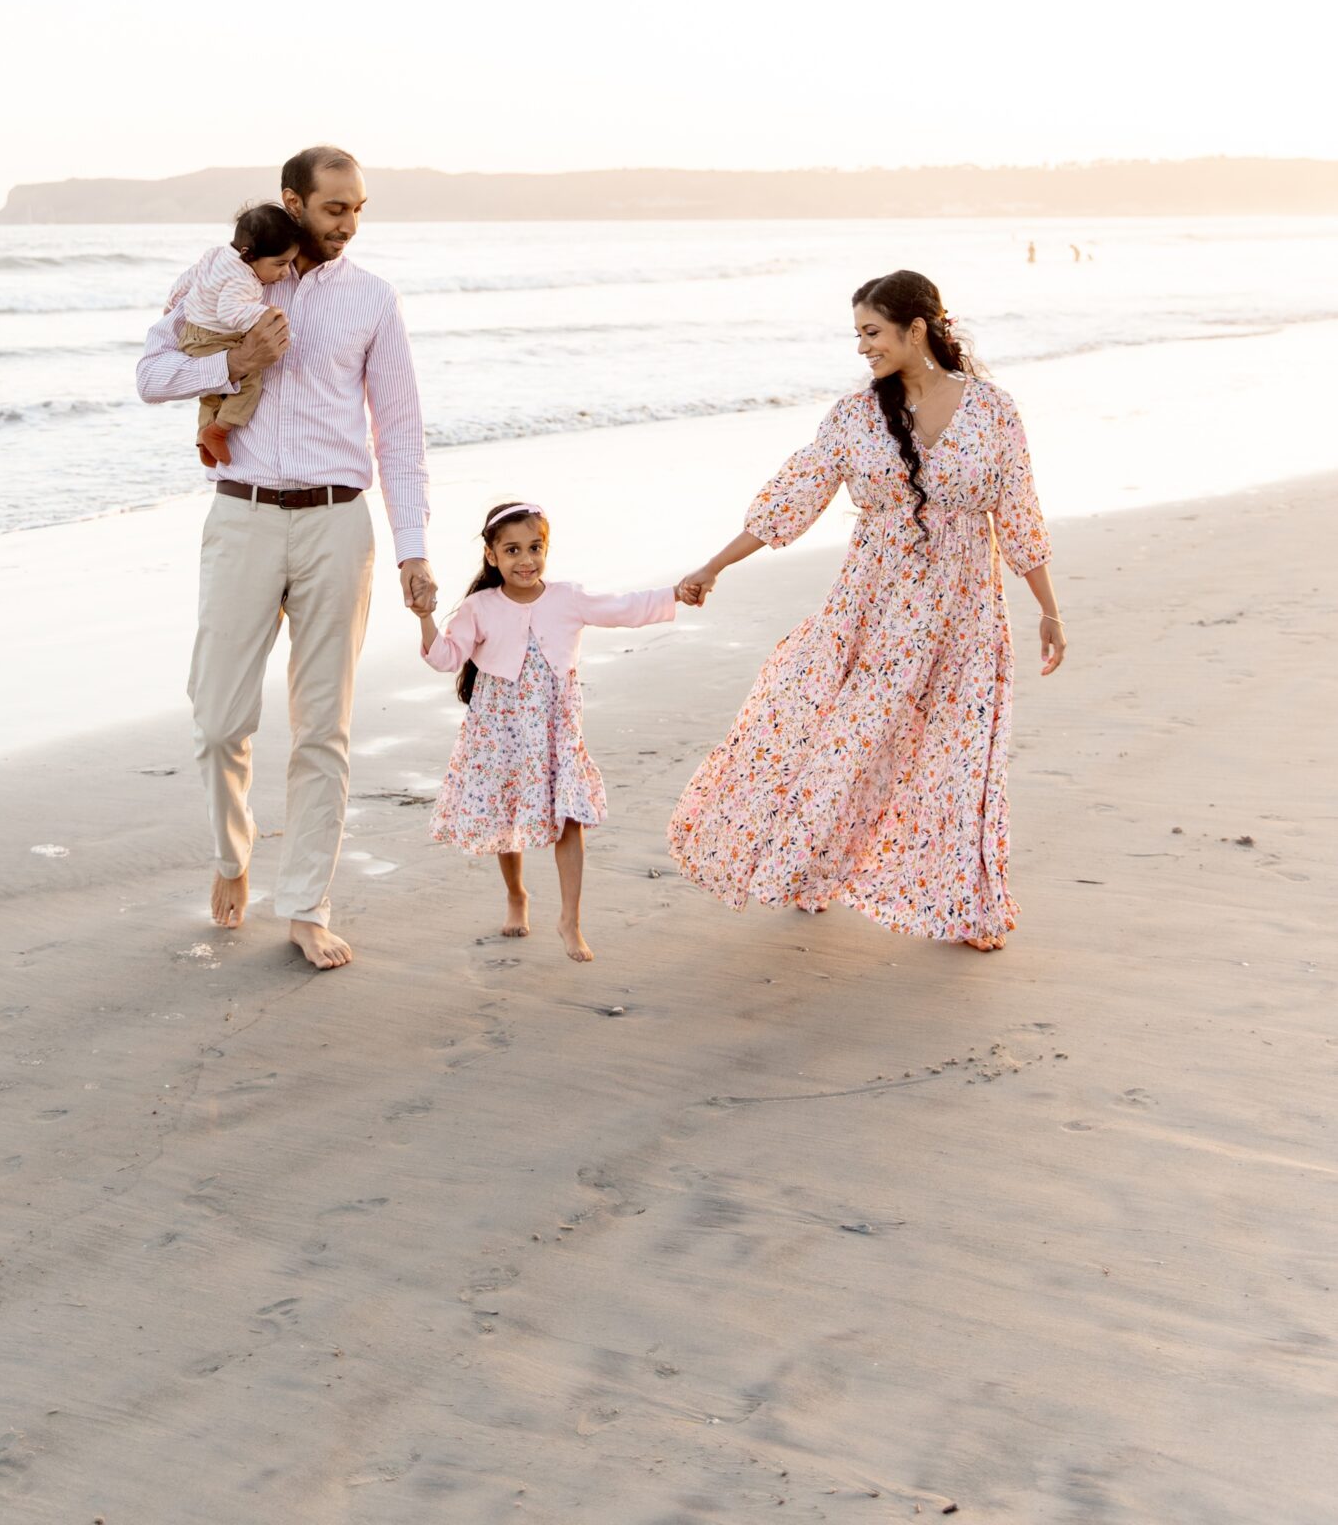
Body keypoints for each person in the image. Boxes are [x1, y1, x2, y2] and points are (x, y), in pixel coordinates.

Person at [667, 269, 1064, 952]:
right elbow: (791, 499)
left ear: (918, 329)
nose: (862, 348)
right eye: (857, 334)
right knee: (845, 746)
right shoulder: (854, 418)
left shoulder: (994, 411)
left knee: (962, 759)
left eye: (872, 332)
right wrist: (713, 566)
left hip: (965, 618)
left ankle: (965, 907)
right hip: (873, 620)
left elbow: (1019, 513)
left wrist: (1048, 609)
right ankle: (812, 868)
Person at [136, 146, 435, 971]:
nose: (348, 223)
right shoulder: (224, 280)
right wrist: (237, 361)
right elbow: (150, 373)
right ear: (291, 202)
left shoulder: (372, 299)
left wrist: (413, 549)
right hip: (244, 516)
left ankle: (305, 903)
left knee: (322, 731)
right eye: (334, 207)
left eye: (358, 209)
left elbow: (400, 432)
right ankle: (233, 858)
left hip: (340, 524)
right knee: (219, 718)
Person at [416, 500, 680, 962]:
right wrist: (424, 617)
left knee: (569, 818)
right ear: (492, 556)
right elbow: (445, 658)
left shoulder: (567, 598)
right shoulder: (479, 607)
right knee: (506, 817)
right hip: (499, 732)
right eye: (513, 550)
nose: (526, 560)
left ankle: (569, 920)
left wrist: (677, 593)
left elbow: (624, 608)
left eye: (535, 548)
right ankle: (517, 895)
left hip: (557, 731)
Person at [174, 201, 304, 468]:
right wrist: (265, 315)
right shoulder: (243, 278)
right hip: (215, 337)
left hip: (193, 334)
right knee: (250, 382)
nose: (284, 272)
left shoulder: (215, 254)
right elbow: (230, 313)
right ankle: (219, 430)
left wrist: (172, 303)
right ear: (248, 255)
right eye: (280, 264)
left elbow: (189, 279)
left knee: (211, 393)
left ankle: (203, 438)